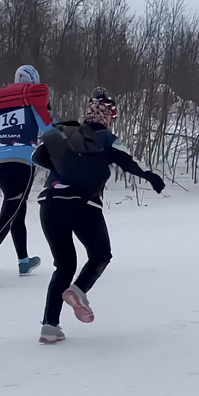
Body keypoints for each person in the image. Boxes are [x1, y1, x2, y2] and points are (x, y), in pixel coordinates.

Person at [33, 88, 164, 343]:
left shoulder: (66, 131)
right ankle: (78, 290)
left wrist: (62, 166)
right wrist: (149, 177)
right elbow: (127, 160)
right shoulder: (107, 138)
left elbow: (37, 155)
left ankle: (50, 326)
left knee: (64, 264)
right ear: (108, 116)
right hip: (84, 204)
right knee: (100, 254)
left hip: (51, 203)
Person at [0, 65, 53, 286]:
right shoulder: (30, 99)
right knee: (11, 209)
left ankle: (23, 260)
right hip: (22, 160)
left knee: (16, 207)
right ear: (33, 80)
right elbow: (46, 128)